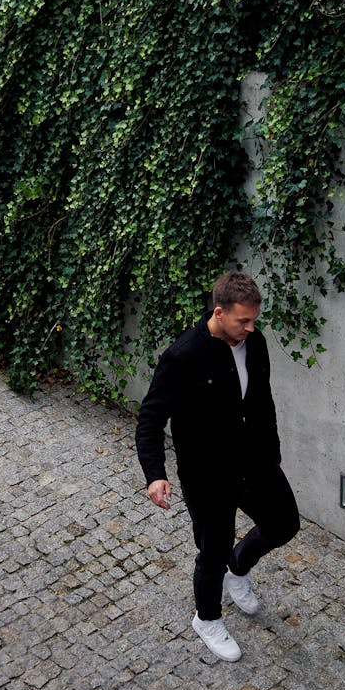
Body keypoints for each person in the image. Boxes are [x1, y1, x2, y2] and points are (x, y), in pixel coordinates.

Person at [135, 270, 300, 662]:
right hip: (207, 473)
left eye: (254, 319)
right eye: (243, 320)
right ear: (219, 311)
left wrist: (272, 453)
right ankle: (206, 618)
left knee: (283, 524)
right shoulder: (183, 356)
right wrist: (155, 474)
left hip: (255, 461)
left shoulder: (254, 344)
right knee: (212, 550)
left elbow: (263, 401)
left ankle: (237, 568)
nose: (251, 327)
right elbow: (151, 418)